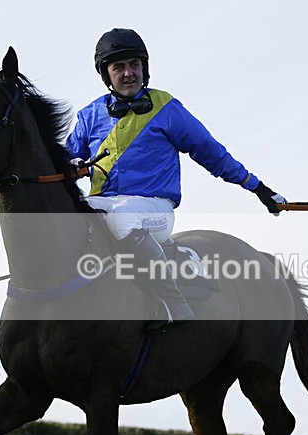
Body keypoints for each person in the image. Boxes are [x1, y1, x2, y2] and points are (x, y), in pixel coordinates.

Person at [66, 28, 287, 331]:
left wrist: (258, 188)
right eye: (119, 67)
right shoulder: (89, 115)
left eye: (134, 65)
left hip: (153, 209)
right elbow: (63, 160)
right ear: (107, 74)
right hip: (101, 206)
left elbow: (212, 153)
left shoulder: (167, 109)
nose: (128, 73)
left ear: (144, 68)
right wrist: (70, 164)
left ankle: (172, 301)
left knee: (121, 217)